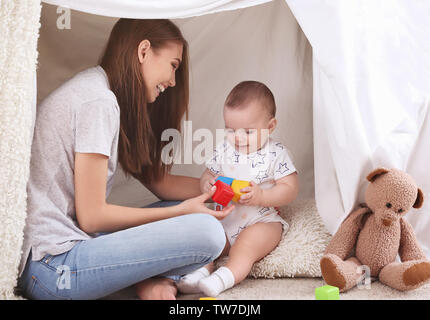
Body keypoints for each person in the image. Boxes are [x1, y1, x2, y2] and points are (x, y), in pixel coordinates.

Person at [16, 18, 234, 300]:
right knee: (208, 233)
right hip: (53, 267)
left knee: (187, 209)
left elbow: (161, 184)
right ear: (143, 51)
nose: (173, 81)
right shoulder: (98, 102)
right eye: (173, 65)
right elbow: (92, 218)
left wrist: (215, 188)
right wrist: (181, 213)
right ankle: (150, 281)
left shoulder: (101, 92)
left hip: (68, 250)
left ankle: (147, 282)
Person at [176, 81, 299, 297]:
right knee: (207, 240)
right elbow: (209, 174)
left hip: (262, 220)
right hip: (227, 217)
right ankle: (201, 272)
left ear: (270, 127)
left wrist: (262, 195)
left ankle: (222, 279)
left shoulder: (276, 153)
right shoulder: (224, 149)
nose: (238, 137)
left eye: (248, 132)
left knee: (246, 247)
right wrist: (207, 184)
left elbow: (290, 189)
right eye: (231, 130)